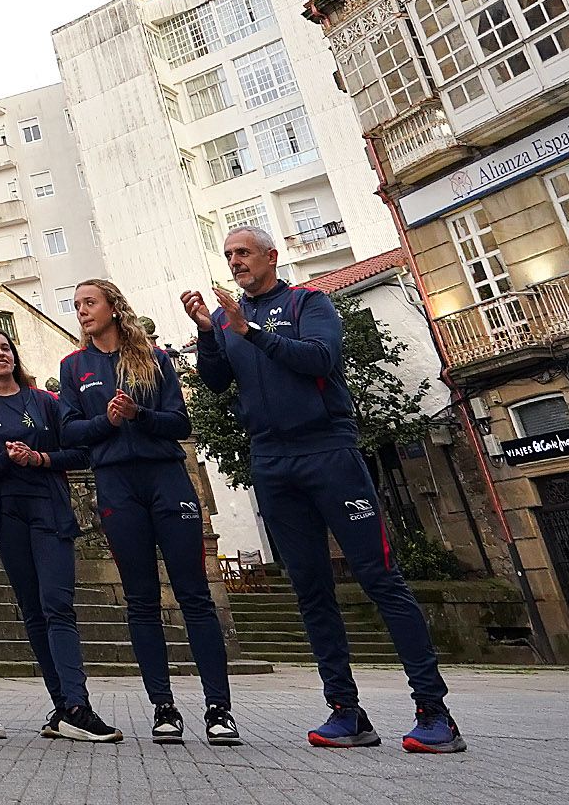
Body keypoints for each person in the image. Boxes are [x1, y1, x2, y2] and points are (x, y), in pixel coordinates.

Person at [189, 227, 462, 753]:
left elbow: (320, 359)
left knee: (381, 578)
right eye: (228, 255)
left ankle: (434, 711)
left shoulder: (308, 302)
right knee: (310, 588)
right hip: (270, 459)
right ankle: (346, 712)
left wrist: (251, 332)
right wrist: (208, 331)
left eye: (243, 252)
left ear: (272, 255)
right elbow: (217, 381)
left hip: (328, 452)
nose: (235, 261)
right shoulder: (227, 319)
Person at [61, 278, 238, 746]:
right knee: (140, 599)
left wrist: (139, 415)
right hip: (117, 484)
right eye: (76, 304)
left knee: (194, 594)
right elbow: (71, 433)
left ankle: (219, 708)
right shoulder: (73, 366)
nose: (81, 311)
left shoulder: (153, 359)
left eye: (89, 302)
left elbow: (181, 421)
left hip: (165, 478)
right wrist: (109, 421)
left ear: (114, 308)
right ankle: (164, 707)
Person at [0, 324, 115, 742]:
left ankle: (79, 705)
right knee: (32, 612)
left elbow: (78, 451)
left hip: (49, 509)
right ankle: (62, 706)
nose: (0, 353)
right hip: (7, 516)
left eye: (5, 346)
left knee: (57, 607)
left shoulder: (44, 402)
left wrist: (39, 458)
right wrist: (6, 461)